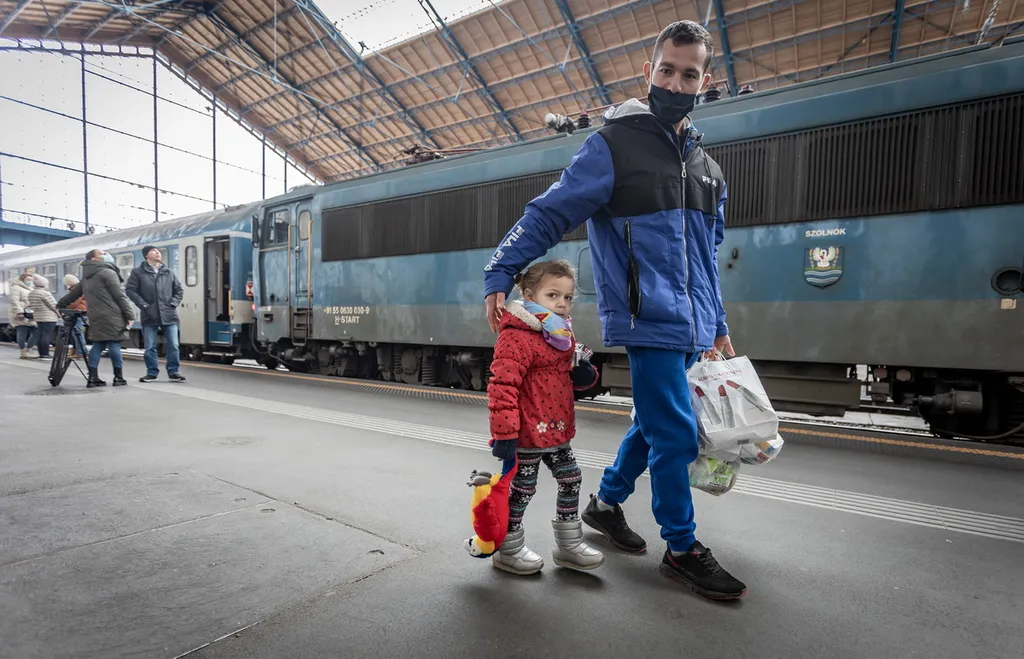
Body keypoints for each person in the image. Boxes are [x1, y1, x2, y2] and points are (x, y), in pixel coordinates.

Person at [482, 20, 746, 599]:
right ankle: (681, 547)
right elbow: (551, 212)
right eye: (667, 70)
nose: (676, 83)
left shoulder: (708, 170)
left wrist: (718, 325)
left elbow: (706, 257)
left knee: (656, 423)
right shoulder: (612, 146)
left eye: (690, 74)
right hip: (647, 317)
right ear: (648, 71)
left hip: (694, 322)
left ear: (706, 81)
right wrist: (502, 269)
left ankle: (604, 504)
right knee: (675, 433)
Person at [486, 259, 604, 575]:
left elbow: (568, 377)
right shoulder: (517, 335)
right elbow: (502, 386)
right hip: (526, 432)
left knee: (571, 479)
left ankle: (569, 546)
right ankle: (508, 549)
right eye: (553, 295)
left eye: (567, 297)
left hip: (556, 429)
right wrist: (504, 434)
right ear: (529, 295)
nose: (562, 303)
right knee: (523, 489)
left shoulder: (559, 333)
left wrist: (584, 375)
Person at [58, 249, 135, 387]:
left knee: (98, 345)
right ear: (94, 259)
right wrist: (130, 315)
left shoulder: (86, 277)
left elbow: (73, 294)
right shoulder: (108, 273)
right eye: (102, 254)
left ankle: (93, 378)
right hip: (112, 315)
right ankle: (118, 377)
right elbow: (119, 296)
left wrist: (60, 305)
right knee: (114, 344)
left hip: (94, 315)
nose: (106, 255)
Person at [125, 245, 185, 383]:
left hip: (169, 314)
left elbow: (178, 290)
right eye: (154, 251)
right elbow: (130, 290)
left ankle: (173, 372)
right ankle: (151, 373)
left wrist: (173, 303)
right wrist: (144, 305)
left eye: (158, 251)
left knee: (173, 345)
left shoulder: (168, 272)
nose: (158, 253)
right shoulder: (137, 273)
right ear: (146, 255)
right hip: (149, 314)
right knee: (150, 346)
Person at [27, 274, 59, 360]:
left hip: (38, 317)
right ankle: (45, 354)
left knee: (40, 334)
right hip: (49, 317)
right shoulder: (45, 293)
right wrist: (59, 314)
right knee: (46, 335)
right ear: (44, 284)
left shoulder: (31, 293)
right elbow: (54, 306)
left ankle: (41, 353)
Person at [8, 272, 37, 359]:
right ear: (22, 279)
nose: (30, 281)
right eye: (28, 279)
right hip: (20, 313)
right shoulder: (16, 288)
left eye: (31, 280)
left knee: (36, 332)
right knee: (22, 332)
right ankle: (23, 352)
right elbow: (14, 301)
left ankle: (29, 349)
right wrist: (19, 312)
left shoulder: (31, 288)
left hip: (29, 313)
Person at [62, 274, 89, 359]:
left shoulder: (77, 290)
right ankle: (75, 351)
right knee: (75, 333)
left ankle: (81, 352)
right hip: (77, 312)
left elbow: (74, 302)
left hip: (79, 313)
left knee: (78, 333)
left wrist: (66, 306)